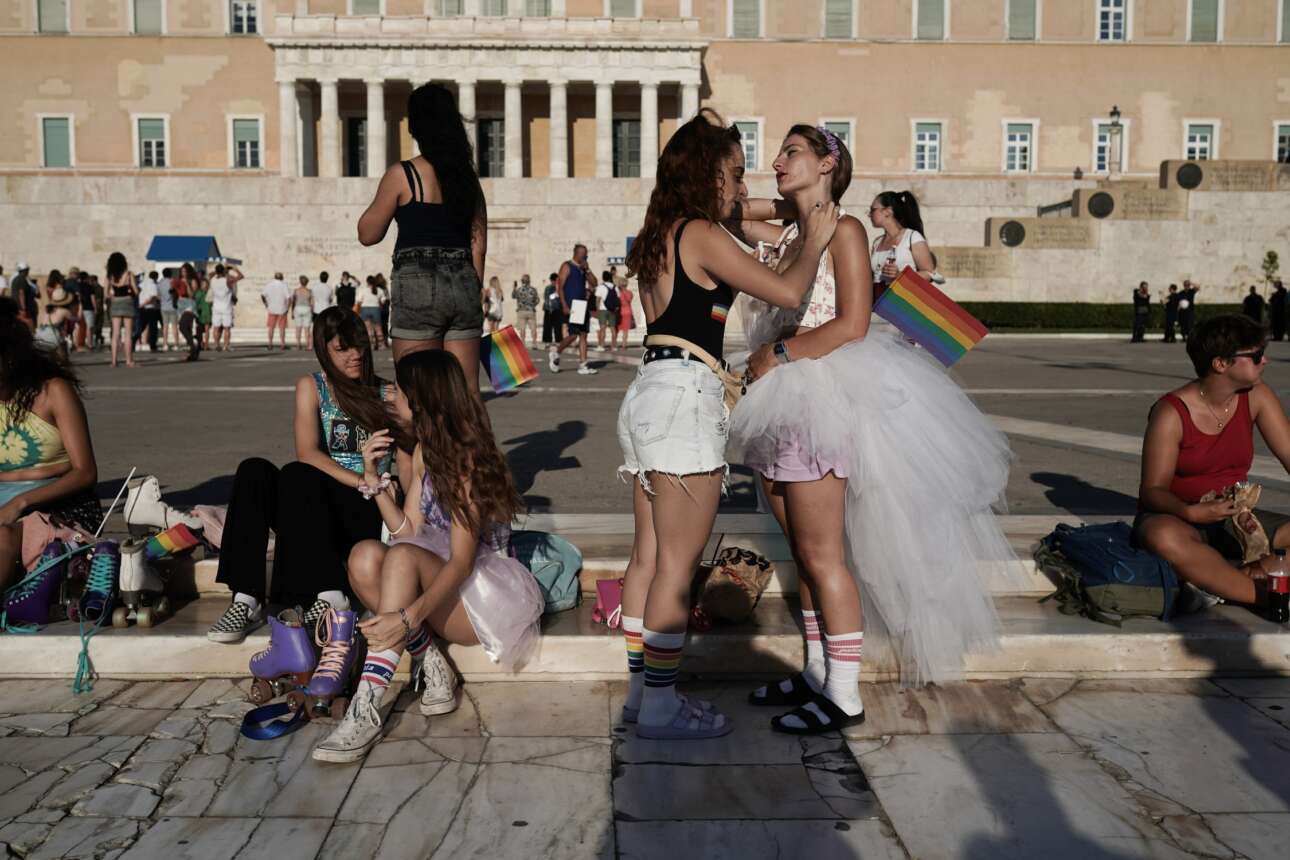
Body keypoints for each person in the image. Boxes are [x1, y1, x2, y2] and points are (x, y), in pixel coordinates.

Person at [729, 128, 1015, 733]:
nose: (776, 161)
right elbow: (726, 210)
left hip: (818, 391)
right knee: (803, 552)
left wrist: (777, 353)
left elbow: (853, 323)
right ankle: (817, 672)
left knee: (823, 553)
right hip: (780, 396)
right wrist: (793, 204)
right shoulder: (792, 231)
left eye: (791, 152)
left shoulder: (848, 230)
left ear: (827, 163)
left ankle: (844, 693)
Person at [617, 111, 839, 741]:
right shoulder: (701, 234)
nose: (743, 186)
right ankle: (661, 706)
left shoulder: (661, 230)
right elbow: (788, 291)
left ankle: (641, 694)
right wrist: (816, 238)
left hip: (649, 391)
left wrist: (793, 203)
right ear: (707, 173)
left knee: (647, 558)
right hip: (685, 397)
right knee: (676, 564)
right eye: (735, 173)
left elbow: (752, 213)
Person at [314, 350, 544, 762]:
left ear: (420, 400)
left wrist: (406, 618)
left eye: (399, 391)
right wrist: (373, 480)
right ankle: (431, 660)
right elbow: (409, 531)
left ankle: (366, 707)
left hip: (480, 597)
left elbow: (461, 562)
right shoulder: (423, 451)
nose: (391, 397)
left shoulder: (465, 463)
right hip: (441, 581)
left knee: (401, 559)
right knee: (363, 556)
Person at [207, 308, 413, 644]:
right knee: (254, 471)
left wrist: (380, 487)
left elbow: (408, 458)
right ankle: (245, 597)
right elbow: (308, 451)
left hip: (368, 505)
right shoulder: (313, 386)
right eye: (342, 349)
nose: (355, 355)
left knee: (298, 476)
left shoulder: (387, 394)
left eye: (359, 346)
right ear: (323, 351)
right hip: (329, 497)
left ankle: (329, 592)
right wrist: (358, 479)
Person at [1134, 314, 1290, 610]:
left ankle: (1229, 581)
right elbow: (1152, 490)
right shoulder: (1171, 413)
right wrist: (1189, 512)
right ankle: (1269, 597)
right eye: (1255, 356)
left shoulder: (1257, 396)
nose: (1265, 360)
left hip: (1235, 516)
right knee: (1164, 537)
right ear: (1220, 364)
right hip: (1178, 516)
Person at [358, 83, 487, 389]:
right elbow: (478, 245)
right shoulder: (467, 180)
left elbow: (368, 234)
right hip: (464, 283)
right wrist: (472, 289)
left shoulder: (404, 174)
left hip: (418, 283)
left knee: (417, 391)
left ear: (415, 127)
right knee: (467, 392)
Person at [0, 298, 101, 592]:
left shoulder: (52, 391)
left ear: (10, 356)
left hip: (58, 501)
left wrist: (21, 502)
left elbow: (85, 472)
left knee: (4, 536)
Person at [548, 244, 600, 375]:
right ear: (577, 253)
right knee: (573, 335)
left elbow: (594, 283)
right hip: (573, 305)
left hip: (583, 305)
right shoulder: (567, 266)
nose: (586, 256)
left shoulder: (583, 268)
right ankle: (556, 352)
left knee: (583, 335)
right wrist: (564, 305)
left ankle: (583, 365)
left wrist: (588, 270)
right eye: (584, 254)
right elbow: (560, 287)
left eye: (586, 254)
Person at [105, 252, 137, 368]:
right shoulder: (128, 274)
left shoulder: (109, 276)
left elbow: (106, 294)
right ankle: (129, 361)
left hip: (115, 302)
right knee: (128, 333)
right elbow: (136, 291)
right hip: (127, 301)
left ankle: (114, 361)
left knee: (115, 333)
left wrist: (113, 296)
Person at [173, 266, 200, 362]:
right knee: (187, 328)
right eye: (182, 271)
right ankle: (193, 352)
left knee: (182, 326)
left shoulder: (193, 281)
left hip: (189, 305)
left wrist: (187, 284)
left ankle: (193, 344)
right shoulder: (179, 280)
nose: (183, 273)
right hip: (181, 305)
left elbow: (192, 295)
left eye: (185, 271)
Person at [262, 271, 291, 351]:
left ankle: (270, 344)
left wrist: (266, 304)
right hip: (282, 309)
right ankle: (282, 344)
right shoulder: (284, 285)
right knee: (282, 328)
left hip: (271, 309)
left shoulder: (269, 284)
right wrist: (288, 308)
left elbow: (263, 295)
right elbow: (289, 298)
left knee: (271, 327)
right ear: (282, 277)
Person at [134, 271, 162, 352]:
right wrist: (145, 303)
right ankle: (153, 346)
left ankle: (133, 340)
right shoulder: (153, 285)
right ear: (156, 277)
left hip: (141, 308)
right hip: (150, 308)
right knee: (153, 328)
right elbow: (153, 297)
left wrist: (140, 304)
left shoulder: (142, 284)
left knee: (141, 326)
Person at [359, 276, 386, 349]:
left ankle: (372, 345)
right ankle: (381, 345)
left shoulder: (363, 290)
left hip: (365, 309)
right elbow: (383, 300)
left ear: (367, 282)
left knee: (368, 329)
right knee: (378, 328)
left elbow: (359, 300)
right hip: (375, 309)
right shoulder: (379, 290)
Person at [512, 275, 539, 347]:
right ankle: (534, 343)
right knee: (533, 328)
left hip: (521, 311)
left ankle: (523, 342)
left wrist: (514, 287)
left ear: (522, 281)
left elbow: (513, 296)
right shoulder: (533, 289)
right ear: (529, 280)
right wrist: (533, 305)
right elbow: (537, 300)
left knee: (522, 328)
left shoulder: (519, 290)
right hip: (531, 311)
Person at [157, 267, 178, 352]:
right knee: (174, 326)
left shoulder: (160, 283)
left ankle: (165, 344)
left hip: (163, 306)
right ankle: (176, 344)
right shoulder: (172, 282)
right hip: (173, 306)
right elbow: (175, 293)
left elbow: (158, 295)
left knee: (165, 326)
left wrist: (163, 299)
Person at [291, 275, 314, 349]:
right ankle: (307, 344)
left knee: (298, 328)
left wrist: (292, 311)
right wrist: (312, 311)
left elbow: (293, 302)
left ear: (300, 282)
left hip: (298, 308)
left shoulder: (296, 291)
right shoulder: (309, 291)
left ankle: (298, 344)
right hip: (307, 308)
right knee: (307, 329)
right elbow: (312, 303)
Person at [542, 272, 563, 345]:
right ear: (552, 280)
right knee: (547, 327)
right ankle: (547, 342)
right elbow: (549, 297)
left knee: (558, 327)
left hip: (557, 309)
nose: (557, 282)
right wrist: (557, 291)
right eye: (556, 280)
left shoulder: (560, 288)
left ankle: (558, 341)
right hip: (549, 309)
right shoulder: (548, 288)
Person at [616, 273, 635, 341]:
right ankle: (624, 344)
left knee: (616, 329)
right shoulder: (630, 293)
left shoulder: (618, 293)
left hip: (619, 312)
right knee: (625, 330)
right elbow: (630, 300)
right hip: (628, 312)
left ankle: (614, 344)